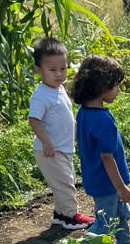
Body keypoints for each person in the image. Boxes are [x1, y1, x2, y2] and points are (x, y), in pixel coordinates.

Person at [71, 55, 130, 244]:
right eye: (116, 85)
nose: (118, 90)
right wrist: (121, 188)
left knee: (121, 216)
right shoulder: (102, 120)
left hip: (97, 180)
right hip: (109, 184)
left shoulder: (83, 113)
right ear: (102, 86)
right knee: (104, 224)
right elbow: (108, 159)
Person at [28, 37, 91, 230]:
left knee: (66, 180)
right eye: (52, 70)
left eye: (63, 69)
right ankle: (71, 216)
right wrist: (46, 142)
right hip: (50, 149)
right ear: (39, 70)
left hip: (63, 147)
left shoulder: (59, 89)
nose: (59, 74)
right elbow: (34, 120)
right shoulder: (41, 95)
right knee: (65, 184)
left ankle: (60, 214)